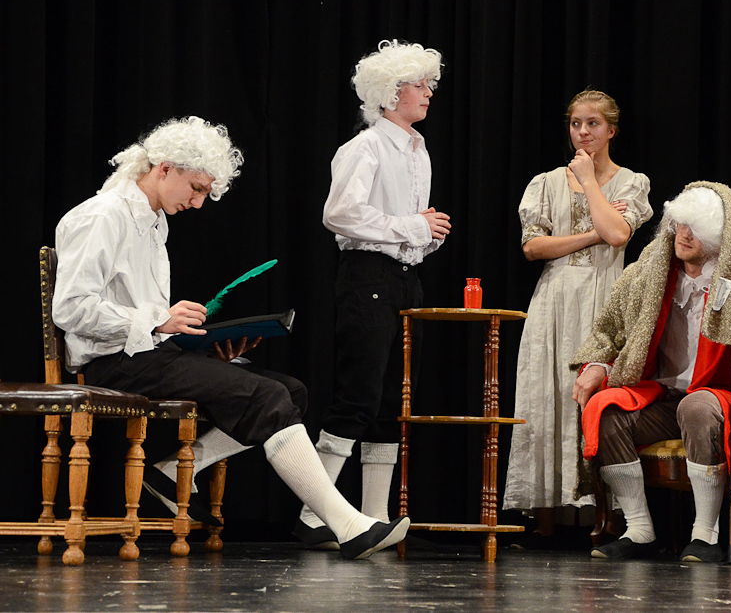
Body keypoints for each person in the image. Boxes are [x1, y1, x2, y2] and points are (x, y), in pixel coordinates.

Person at [53, 116, 409, 560]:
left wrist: (199, 345)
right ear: (164, 168)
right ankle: (346, 524)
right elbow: (71, 309)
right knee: (265, 398)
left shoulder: (153, 219)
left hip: (147, 354)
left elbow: (143, 318)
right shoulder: (103, 216)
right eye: (196, 188)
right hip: (113, 363)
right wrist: (160, 319)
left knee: (290, 391)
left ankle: (171, 473)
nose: (198, 202)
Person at [571, 183, 731, 561]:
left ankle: (705, 535)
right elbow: (610, 328)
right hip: (662, 396)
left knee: (697, 406)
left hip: (719, 399)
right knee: (606, 409)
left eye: (696, 229)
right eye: (680, 225)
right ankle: (639, 530)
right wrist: (596, 365)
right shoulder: (651, 273)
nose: (684, 236)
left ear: (718, 237)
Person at [293, 40, 449, 549]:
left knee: (390, 401)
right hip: (368, 278)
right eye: (418, 84)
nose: (428, 92)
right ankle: (313, 514)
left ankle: (374, 517)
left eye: (428, 84)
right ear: (389, 92)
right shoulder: (365, 147)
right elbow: (339, 214)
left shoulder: (418, 151)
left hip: (405, 278)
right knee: (358, 395)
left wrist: (423, 234)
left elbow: (406, 226)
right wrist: (413, 226)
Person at [502, 90, 653, 547]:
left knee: (597, 400)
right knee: (547, 396)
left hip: (605, 298)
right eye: (575, 124)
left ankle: (605, 518)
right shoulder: (546, 183)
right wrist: (591, 233)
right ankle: (545, 519)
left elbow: (618, 234)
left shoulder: (631, 182)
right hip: (554, 300)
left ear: (611, 130)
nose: (583, 132)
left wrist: (589, 182)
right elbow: (533, 247)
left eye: (592, 124)